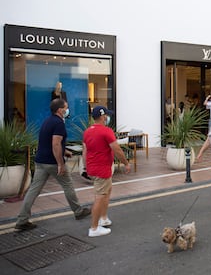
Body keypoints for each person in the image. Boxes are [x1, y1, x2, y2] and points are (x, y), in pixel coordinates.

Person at [15, 98, 90, 230]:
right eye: (66, 108)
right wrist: (60, 164)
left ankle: (22, 219)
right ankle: (78, 211)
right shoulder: (59, 123)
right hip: (52, 162)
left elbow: (48, 142)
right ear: (60, 110)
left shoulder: (47, 121)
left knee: (34, 190)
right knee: (68, 185)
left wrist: (65, 151)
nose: (68, 110)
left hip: (40, 161)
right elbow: (55, 144)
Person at [83, 106, 131, 237]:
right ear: (103, 117)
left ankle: (103, 218)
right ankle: (94, 228)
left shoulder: (87, 131)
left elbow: (85, 150)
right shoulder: (106, 131)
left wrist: (85, 166)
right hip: (102, 169)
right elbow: (117, 149)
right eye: (106, 116)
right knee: (100, 196)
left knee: (106, 191)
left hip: (93, 168)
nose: (107, 118)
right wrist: (126, 163)